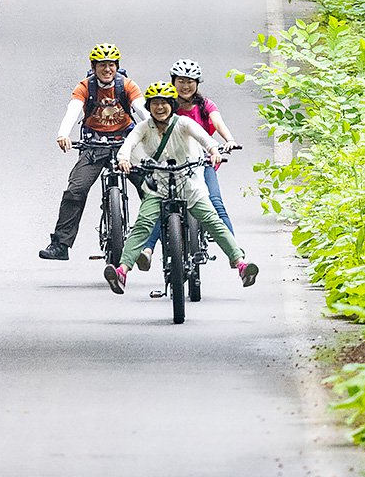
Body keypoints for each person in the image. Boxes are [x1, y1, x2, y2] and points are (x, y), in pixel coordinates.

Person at [103, 82, 258, 293]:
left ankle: (241, 264)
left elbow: (204, 138)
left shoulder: (183, 123)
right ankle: (122, 271)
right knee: (143, 224)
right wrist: (123, 159)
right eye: (155, 103)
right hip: (159, 186)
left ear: (172, 105)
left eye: (164, 103)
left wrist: (214, 151)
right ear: (149, 106)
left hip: (190, 183)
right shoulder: (144, 127)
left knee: (212, 220)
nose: (159, 107)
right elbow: (129, 144)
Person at [38, 43, 145, 260]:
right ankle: (61, 245)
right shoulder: (85, 87)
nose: (107, 69)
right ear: (94, 67)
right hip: (95, 145)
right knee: (75, 190)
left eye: (111, 65)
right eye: (102, 65)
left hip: (125, 145)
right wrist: (63, 133)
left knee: (150, 186)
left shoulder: (127, 85)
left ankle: (165, 237)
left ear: (117, 66)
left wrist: (158, 131)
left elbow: (142, 109)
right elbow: (73, 110)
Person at [135, 57, 240, 272]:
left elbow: (217, 122)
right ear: (173, 81)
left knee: (215, 202)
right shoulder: (166, 106)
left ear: (197, 83)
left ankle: (235, 253)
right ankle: (147, 250)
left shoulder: (205, 105)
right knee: (160, 205)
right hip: (170, 165)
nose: (185, 86)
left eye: (190, 81)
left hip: (201, 162)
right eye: (181, 81)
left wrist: (229, 140)